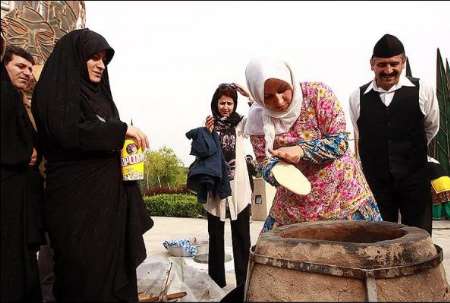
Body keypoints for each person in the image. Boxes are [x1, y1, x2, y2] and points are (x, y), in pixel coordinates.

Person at [31, 28, 153, 302]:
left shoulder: (100, 96)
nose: (100, 65)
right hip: (75, 207)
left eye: (104, 60)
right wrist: (119, 131)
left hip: (109, 206)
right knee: (83, 276)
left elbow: (104, 132)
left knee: (113, 275)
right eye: (93, 58)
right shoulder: (54, 91)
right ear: (76, 58)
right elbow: (68, 131)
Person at [244, 58, 382, 233]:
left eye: (282, 90)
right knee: (271, 254)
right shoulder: (257, 121)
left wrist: (301, 150)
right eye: (268, 97)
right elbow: (264, 163)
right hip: (295, 204)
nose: (279, 101)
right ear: (257, 96)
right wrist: (278, 170)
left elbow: (339, 142)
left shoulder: (316, 94)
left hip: (342, 196)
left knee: (358, 253)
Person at [349, 34, 439, 235]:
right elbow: (360, 132)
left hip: (414, 178)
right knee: (379, 238)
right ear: (372, 64)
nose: (388, 70)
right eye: (382, 64)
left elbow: (431, 128)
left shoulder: (423, 90)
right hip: (376, 181)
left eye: (394, 64)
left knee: (418, 237)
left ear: (403, 62)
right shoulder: (357, 97)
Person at [1, 45, 44, 301]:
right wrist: (21, 152)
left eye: (30, 68)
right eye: (20, 66)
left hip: (23, 204)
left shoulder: (18, 100)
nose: (27, 73)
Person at [203, 83, 252, 288]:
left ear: (234, 104)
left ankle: (244, 283)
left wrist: (249, 95)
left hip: (238, 189)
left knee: (242, 238)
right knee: (215, 238)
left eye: (229, 102)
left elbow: (259, 116)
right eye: (222, 102)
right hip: (216, 189)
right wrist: (207, 132)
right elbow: (203, 151)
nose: (225, 106)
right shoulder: (210, 124)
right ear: (216, 103)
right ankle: (216, 282)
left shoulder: (241, 124)